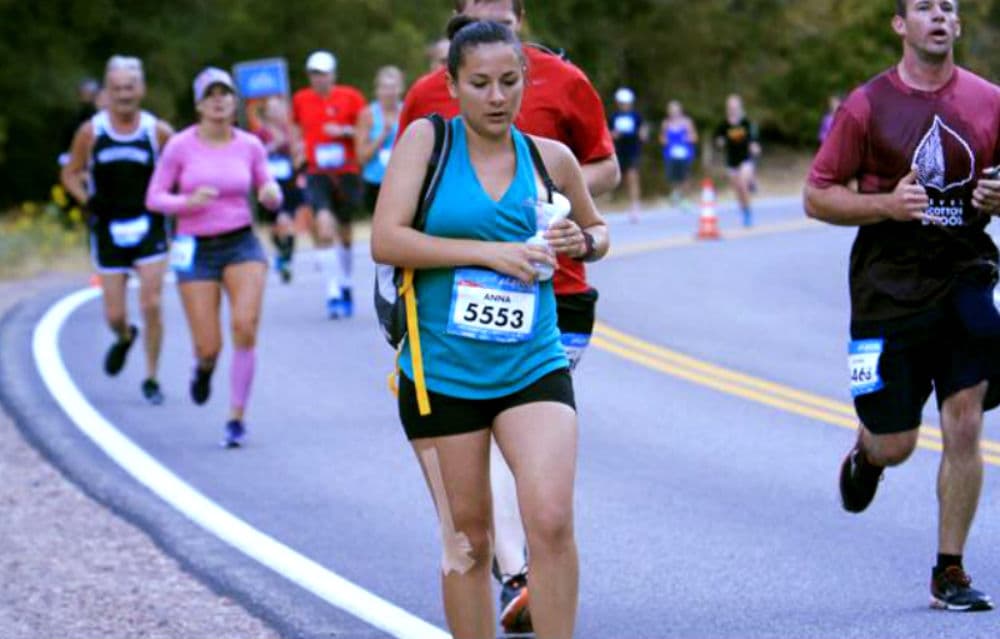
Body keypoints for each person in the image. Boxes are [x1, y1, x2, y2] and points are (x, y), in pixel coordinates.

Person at [372, 18, 609, 639]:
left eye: (509, 81)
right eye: (480, 83)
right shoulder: (427, 142)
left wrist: (577, 240)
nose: (497, 96)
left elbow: (598, 234)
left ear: (526, 81)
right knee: (469, 541)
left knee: (551, 519)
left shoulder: (548, 158)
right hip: (441, 372)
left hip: (532, 361)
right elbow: (385, 239)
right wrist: (487, 254)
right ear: (451, 84)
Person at [804, 0, 1000, 612]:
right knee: (898, 442)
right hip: (887, 288)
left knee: (965, 419)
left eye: (948, 7)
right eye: (923, 6)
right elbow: (817, 196)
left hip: (966, 273)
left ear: (958, 25)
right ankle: (868, 454)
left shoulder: (991, 100)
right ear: (900, 25)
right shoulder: (867, 105)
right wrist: (886, 206)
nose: (938, 15)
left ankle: (950, 570)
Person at [145, 67, 282, 448]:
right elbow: (154, 197)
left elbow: (266, 184)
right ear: (199, 104)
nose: (219, 100)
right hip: (196, 248)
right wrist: (186, 202)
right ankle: (204, 369)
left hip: (241, 244)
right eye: (211, 94)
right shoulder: (180, 146)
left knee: (245, 324)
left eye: (225, 93)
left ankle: (236, 417)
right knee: (209, 346)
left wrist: (271, 193)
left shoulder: (249, 144)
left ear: (234, 101)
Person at [61, 55, 174, 405]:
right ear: (107, 92)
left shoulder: (157, 131)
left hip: (149, 224)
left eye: (129, 87)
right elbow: (69, 172)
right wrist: (85, 198)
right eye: (116, 89)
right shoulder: (91, 132)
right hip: (108, 227)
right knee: (114, 315)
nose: (124, 95)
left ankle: (152, 378)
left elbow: (182, 167)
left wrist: (177, 202)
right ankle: (125, 337)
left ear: (140, 89)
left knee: (152, 302)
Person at [291, 51, 367, 318]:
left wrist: (344, 131)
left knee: (344, 232)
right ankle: (333, 291)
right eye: (314, 74)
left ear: (333, 75)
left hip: (346, 171)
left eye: (323, 73)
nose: (318, 78)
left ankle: (346, 283)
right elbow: (297, 131)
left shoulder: (352, 97)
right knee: (323, 226)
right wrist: (297, 151)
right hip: (317, 172)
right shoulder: (301, 99)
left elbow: (365, 130)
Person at [254, 96, 305, 283]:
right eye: (273, 109)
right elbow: (255, 155)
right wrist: (274, 145)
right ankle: (280, 254)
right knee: (275, 226)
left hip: (289, 182)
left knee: (287, 222)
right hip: (268, 184)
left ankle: (286, 261)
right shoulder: (260, 133)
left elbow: (298, 156)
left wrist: (298, 151)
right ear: (266, 112)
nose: (277, 112)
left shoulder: (290, 131)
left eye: (280, 108)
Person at [355, 66, 404, 216]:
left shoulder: (408, 110)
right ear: (377, 90)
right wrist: (383, 134)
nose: (389, 92)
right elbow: (361, 157)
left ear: (401, 88)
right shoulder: (368, 114)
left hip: (403, 181)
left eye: (393, 87)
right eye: (385, 87)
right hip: (375, 181)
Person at [714, 94, 761, 227]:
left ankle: (748, 212)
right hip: (731, 161)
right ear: (727, 108)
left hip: (745, 159)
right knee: (737, 190)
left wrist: (755, 146)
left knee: (742, 184)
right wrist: (720, 142)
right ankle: (744, 209)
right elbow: (717, 139)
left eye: (735, 106)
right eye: (730, 107)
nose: (733, 109)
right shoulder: (724, 125)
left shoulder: (746, 122)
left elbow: (754, 138)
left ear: (740, 107)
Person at [609, 87, 647, 222]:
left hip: (633, 151)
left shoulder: (636, 116)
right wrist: (613, 135)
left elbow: (643, 131)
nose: (624, 105)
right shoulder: (614, 117)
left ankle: (635, 206)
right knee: (618, 179)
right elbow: (608, 134)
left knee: (632, 177)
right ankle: (617, 202)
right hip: (618, 152)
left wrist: (643, 134)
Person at [659, 99, 698, 209]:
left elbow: (694, 137)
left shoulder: (687, 122)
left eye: (676, 110)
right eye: (672, 110)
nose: (674, 112)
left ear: (680, 111)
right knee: (673, 177)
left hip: (685, 154)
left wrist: (687, 138)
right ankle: (676, 194)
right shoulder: (666, 123)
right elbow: (662, 138)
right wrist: (665, 140)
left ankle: (685, 198)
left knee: (685, 176)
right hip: (671, 154)